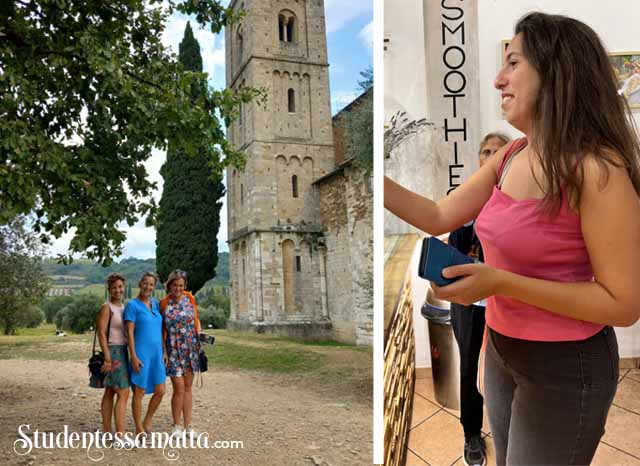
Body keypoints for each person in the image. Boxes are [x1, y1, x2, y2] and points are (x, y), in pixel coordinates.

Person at [385, 12, 640, 466]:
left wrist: (499, 283)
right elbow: (438, 213)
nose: (499, 79)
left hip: (566, 364)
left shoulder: (598, 170)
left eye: (513, 63)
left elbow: (622, 304)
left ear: (556, 71)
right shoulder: (511, 155)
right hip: (501, 350)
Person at [447, 133, 509, 466]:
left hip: (509, 300)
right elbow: (453, 245)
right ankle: (472, 434)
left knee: (512, 367)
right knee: (470, 367)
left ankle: (510, 431)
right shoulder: (466, 200)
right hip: (470, 304)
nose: (490, 156)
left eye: (497, 151)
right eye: (485, 151)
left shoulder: (522, 199)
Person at [90, 272, 134, 448]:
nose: (118, 290)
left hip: (123, 351)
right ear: (109, 289)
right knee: (123, 392)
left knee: (110, 391)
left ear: (124, 288)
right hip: (113, 352)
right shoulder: (106, 307)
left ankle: (107, 433)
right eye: (114, 287)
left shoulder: (124, 307)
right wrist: (107, 356)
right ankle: (120, 436)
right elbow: (101, 332)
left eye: (121, 286)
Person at [160, 270, 202, 436]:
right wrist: (163, 350)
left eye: (181, 285)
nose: (178, 288)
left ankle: (188, 426)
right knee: (179, 388)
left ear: (184, 286)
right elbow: (160, 329)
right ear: (169, 285)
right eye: (175, 285)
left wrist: (200, 332)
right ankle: (176, 425)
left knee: (188, 388)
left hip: (191, 348)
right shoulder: (163, 303)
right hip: (172, 349)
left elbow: (196, 320)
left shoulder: (190, 299)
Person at [124, 272, 166, 437]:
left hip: (157, 354)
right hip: (140, 353)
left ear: (154, 287)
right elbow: (129, 333)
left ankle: (147, 420)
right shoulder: (132, 306)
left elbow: (160, 330)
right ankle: (138, 428)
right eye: (145, 283)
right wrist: (133, 356)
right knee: (139, 392)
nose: (148, 287)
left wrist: (165, 350)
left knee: (161, 390)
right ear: (140, 284)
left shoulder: (155, 304)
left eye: (151, 284)